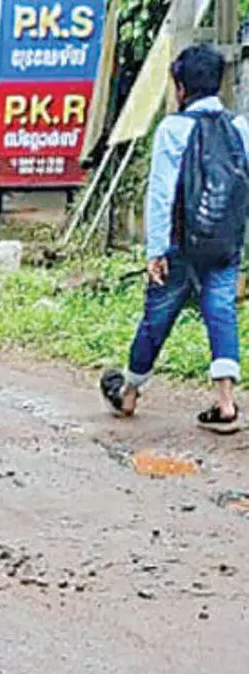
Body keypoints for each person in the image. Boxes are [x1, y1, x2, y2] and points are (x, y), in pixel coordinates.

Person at [100, 44, 249, 433]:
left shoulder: (173, 129)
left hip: (181, 244)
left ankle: (129, 393)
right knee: (221, 312)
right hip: (225, 243)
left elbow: (162, 194)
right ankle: (226, 403)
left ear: (181, 86)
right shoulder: (240, 128)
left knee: (158, 315)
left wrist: (156, 251)